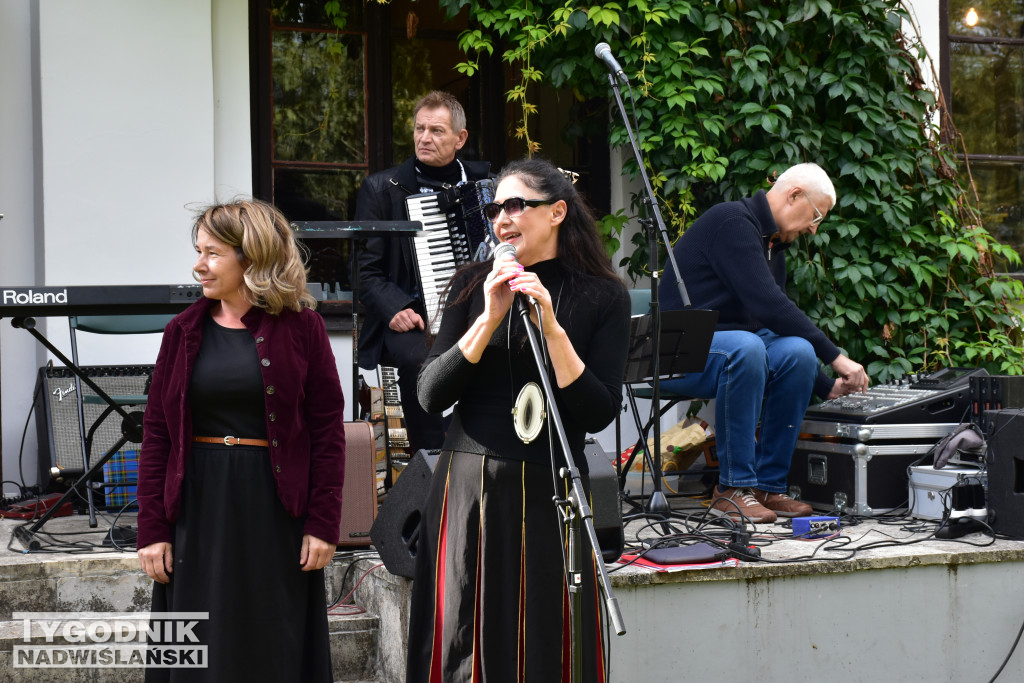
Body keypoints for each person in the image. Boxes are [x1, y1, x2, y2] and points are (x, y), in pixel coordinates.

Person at [405, 159, 631, 682]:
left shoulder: (603, 295)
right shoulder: (472, 285)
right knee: (463, 633)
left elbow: (597, 410)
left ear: (556, 212)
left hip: (553, 484)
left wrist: (551, 329)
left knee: (546, 637)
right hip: (469, 486)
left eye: (515, 205)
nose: (501, 218)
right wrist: (489, 317)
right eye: (495, 208)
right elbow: (430, 396)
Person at [136, 199, 346, 682]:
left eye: (212, 253)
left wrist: (323, 521)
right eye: (197, 251)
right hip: (198, 507)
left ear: (249, 258)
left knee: (275, 638)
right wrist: (153, 529)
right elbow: (157, 435)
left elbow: (327, 433)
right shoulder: (181, 332)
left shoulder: (304, 329)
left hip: (275, 510)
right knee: (198, 642)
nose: (198, 265)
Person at [659, 162, 869, 524]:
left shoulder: (772, 247)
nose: (815, 228)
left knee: (798, 353)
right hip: (678, 353)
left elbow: (771, 324)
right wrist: (837, 358)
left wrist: (824, 384)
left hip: (731, 350)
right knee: (746, 347)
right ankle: (731, 488)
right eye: (817, 215)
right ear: (794, 195)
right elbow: (768, 305)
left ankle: (766, 487)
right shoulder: (733, 223)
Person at [354, 90, 491, 454]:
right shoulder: (382, 190)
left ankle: (486, 452)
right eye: (420, 128)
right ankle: (430, 461)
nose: (424, 138)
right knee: (419, 361)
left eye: (436, 131)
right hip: (412, 315)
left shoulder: (486, 186)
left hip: (477, 310)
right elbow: (365, 272)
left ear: (460, 138)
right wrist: (394, 308)